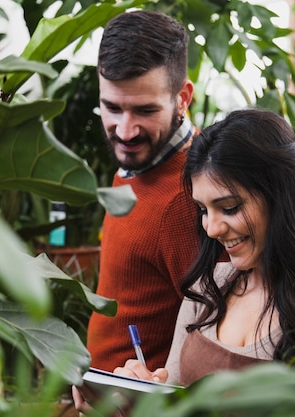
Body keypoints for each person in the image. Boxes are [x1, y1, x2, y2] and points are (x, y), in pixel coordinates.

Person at [78, 108, 295, 415]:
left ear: (282, 196)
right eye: (203, 210)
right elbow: (172, 400)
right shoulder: (208, 286)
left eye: (228, 207)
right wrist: (136, 401)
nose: (212, 228)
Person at [86, 10, 199, 373]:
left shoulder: (192, 196)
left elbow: (217, 331)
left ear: (182, 98)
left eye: (144, 111)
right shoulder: (138, 161)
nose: (125, 130)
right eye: (112, 107)